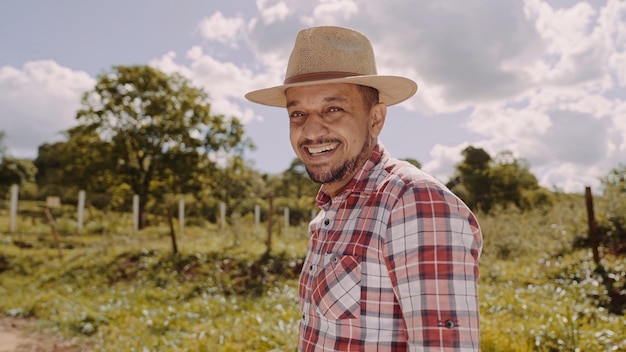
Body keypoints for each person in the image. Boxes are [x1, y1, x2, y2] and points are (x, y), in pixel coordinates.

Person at [246, 26, 482, 352]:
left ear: (375, 119)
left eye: (333, 109)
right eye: (298, 113)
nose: (311, 130)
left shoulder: (413, 202)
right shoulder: (327, 217)